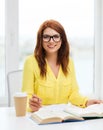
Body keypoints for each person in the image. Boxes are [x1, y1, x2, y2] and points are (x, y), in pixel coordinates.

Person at [22, 19, 103, 112]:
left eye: (56, 36)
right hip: (40, 117)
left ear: (62, 39)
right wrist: (32, 105)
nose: (51, 41)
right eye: (46, 37)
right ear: (40, 39)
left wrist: (86, 102)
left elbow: (73, 94)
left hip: (63, 117)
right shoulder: (30, 62)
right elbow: (26, 95)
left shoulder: (69, 63)